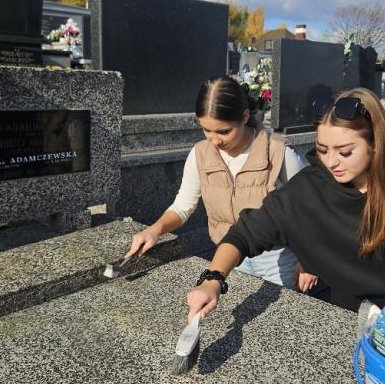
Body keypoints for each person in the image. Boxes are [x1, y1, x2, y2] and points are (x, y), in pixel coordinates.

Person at [187, 87, 385, 320]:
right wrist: (213, 279)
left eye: (345, 151)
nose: (331, 161)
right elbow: (245, 233)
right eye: (322, 149)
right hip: (341, 314)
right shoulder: (309, 189)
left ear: (376, 143)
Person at [124, 75, 309, 288]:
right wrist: (154, 230)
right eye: (206, 130)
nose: (214, 140)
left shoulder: (278, 152)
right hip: (227, 256)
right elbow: (183, 207)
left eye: (224, 131)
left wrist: (308, 261)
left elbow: (310, 207)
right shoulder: (200, 154)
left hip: (277, 259)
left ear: (245, 116)